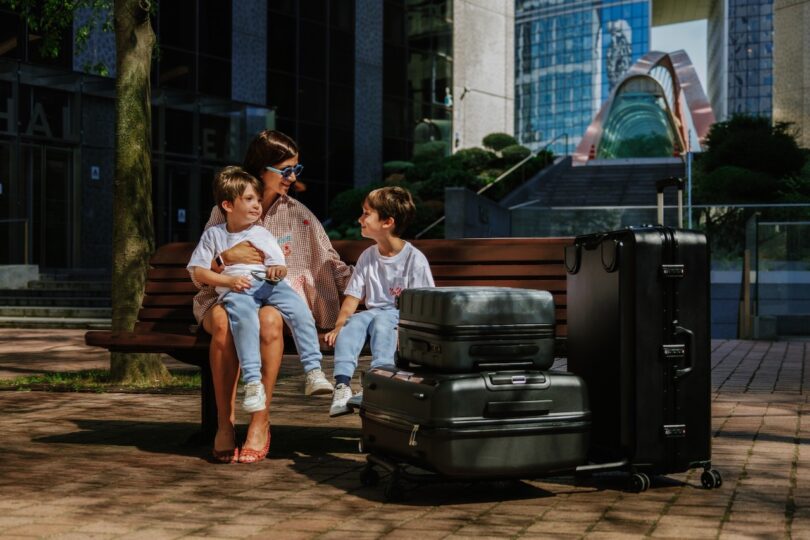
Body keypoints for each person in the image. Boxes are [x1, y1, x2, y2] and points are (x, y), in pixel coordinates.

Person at [192, 130, 352, 463]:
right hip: (224, 295)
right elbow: (201, 271)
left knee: (269, 320)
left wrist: (364, 289)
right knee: (223, 322)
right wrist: (227, 258)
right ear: (261, 169)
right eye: (286, 170)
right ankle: (224, 423)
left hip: (272, 299)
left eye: (297, 169)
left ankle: (260, 420)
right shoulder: (224, 210)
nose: (293, 177)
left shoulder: (298, 213)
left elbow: (328, 260)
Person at [188, 166, 326, 416]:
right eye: (249, 199)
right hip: (238, 289)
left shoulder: (262, 233)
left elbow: (279, 264)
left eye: (258, 200)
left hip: (269, 285)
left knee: (300, 311)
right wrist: (228, 282)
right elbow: (198, 272)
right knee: (245, 321)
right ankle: (252, 383)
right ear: (228, 205)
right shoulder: (214, 235)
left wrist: (278, 271)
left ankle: (313, 371)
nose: (256, 206)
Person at [324, 186, 435, 417]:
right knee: (352, 323)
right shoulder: (368, 256)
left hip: (400, 317)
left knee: (384, 320)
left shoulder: (415, 259)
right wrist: (339, 325)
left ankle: (379, 381)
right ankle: (342, 385)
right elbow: (353, 295)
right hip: (374, 315)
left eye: (366, 213)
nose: (360, 219)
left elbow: (424, 303)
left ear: (387, 222)